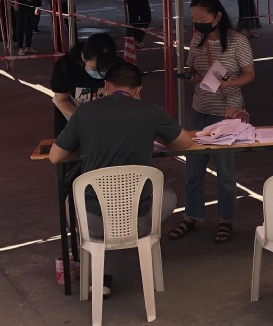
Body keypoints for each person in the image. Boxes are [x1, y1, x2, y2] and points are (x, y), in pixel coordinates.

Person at [49, 62, 195, 289]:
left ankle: (102, 278)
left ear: (106, 85)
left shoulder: (85, 112)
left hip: (91, 221)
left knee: (79, 202)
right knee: (167, 196)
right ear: (139, 90)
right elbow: (185, 143)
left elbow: (55, 156)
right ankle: (117, 262)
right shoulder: (152, 111)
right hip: (137, 218)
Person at [169, 0, 255, 244]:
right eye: (194, 19)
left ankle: (226, 220)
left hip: (226, 113)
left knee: (225, 172)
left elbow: (250, 73)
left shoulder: (237, 40)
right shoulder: (197, 38)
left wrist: (231, 83)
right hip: (199, 109)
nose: (197, 24)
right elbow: (192, 67)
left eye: (202, 19)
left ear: (217, 16)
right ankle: (191, 216)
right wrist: (191, 76)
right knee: (193, 170)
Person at [50, 32, 118, 135]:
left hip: (105, 125)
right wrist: (83, 118)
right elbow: (62, 100)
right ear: (83, 57)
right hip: (71, 121)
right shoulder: (65, 67)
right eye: (95, 68)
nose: (100, 72)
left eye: (104, 68)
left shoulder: (119, 68)